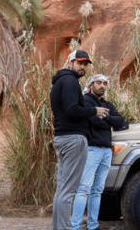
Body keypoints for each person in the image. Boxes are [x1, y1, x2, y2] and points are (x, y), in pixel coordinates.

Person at [50, 50, 109, 230]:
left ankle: (59, 228)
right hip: (73, 139)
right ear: (71, 62)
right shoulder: (70, 81)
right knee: (68, 191)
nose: (83, 66)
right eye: (79, 63)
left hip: (62, 137)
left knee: (62, 190)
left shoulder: (60, 81)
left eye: (85, 64)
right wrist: (94, 111)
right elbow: (72, 110)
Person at [71, 74, 129, 230]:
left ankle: (92, 225)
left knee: (97, 190)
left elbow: (121, 121)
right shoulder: (85, 101)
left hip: (106, 151)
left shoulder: (107, 104)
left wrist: (104, 116)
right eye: (98, 82)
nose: (102, 86)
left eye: (104, 83)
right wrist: (108, 120)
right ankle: (74, 227)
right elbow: (94, 121)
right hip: (91, 150)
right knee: (84, 188)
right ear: (91, 85)